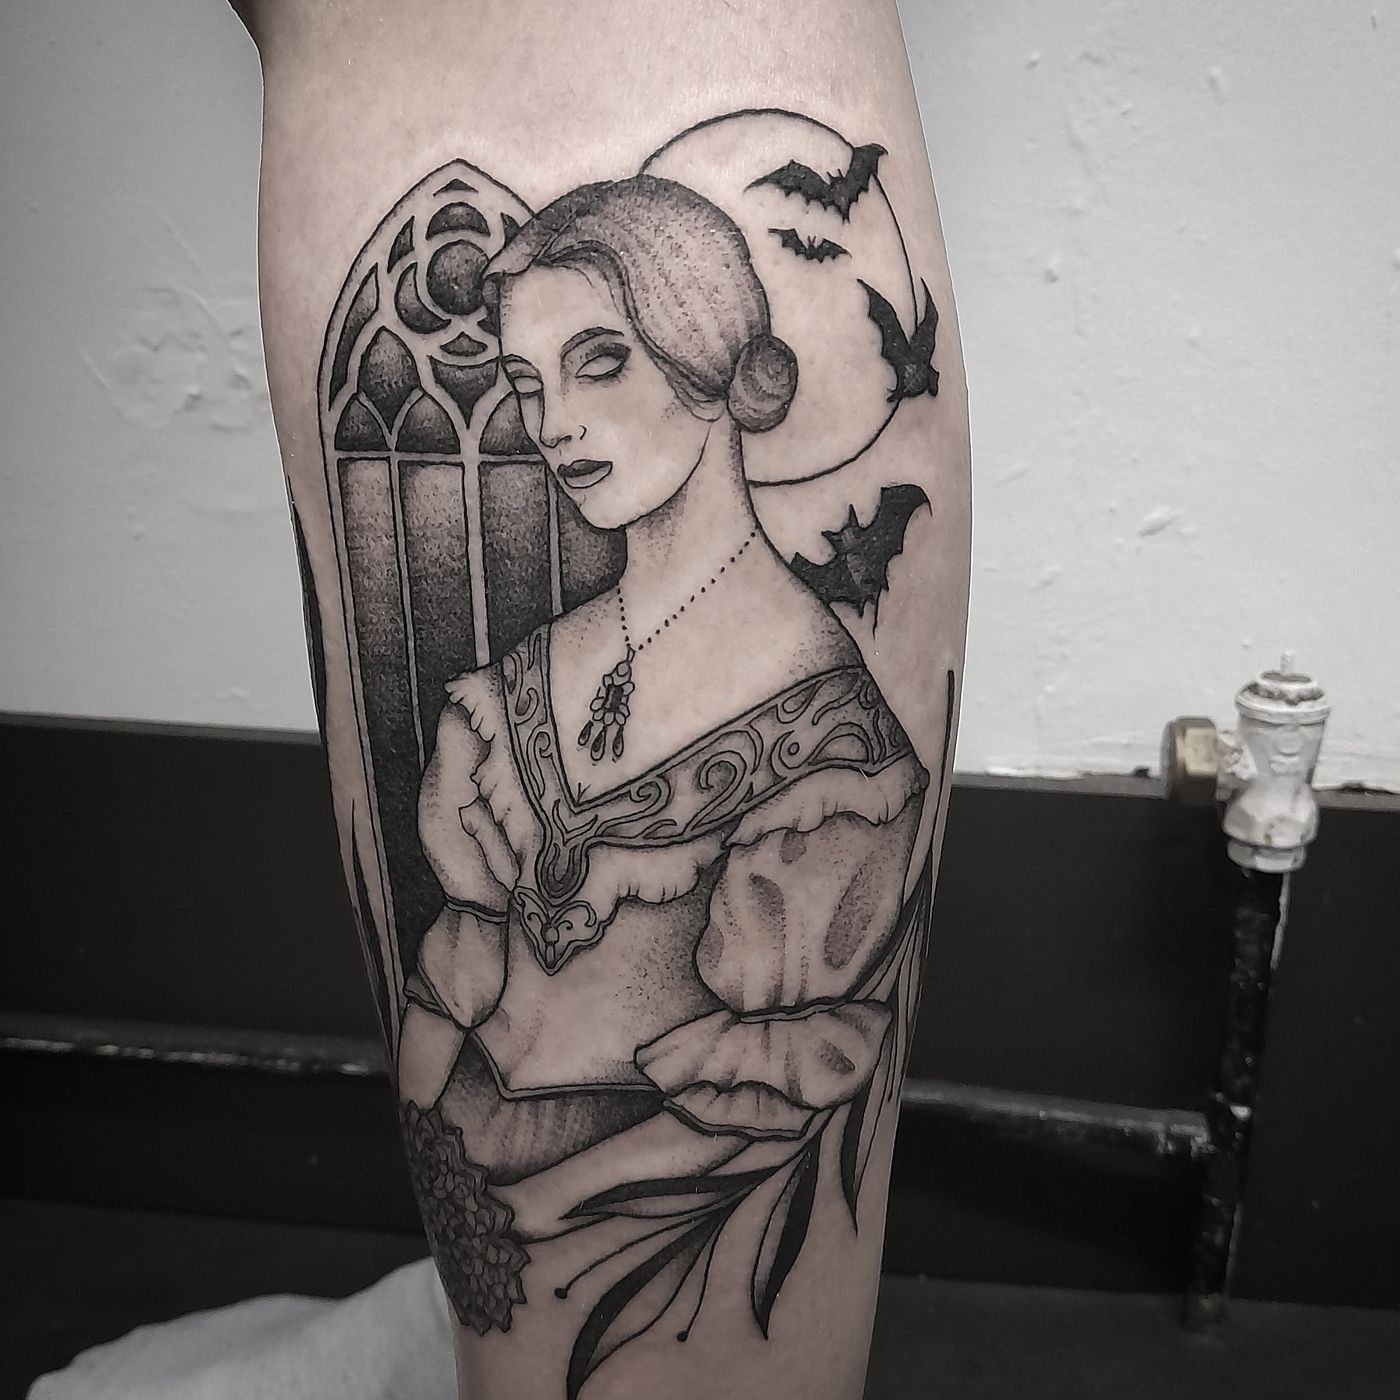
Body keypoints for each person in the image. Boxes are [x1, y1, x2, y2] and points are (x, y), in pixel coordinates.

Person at [237, 2, 971, 1396]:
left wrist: (544, 1217)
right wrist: (459, 1165)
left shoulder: (828, 757)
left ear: (713, 359)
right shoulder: (511, 698)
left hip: (628, 1234)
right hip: (490, 1194)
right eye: (528, 383)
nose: (554, 423)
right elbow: (467, 961)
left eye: (601, 361)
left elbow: (765, 1098)